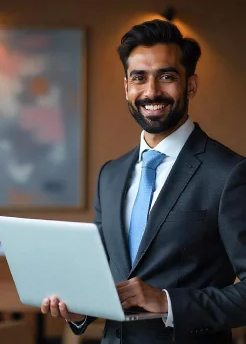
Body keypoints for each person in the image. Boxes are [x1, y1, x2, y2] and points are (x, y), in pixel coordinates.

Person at [41, 19, 246, 344]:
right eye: (139, 77)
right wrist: (79, 310)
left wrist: (167, 302)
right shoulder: (110, 175)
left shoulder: (229, 173)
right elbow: (106, 277)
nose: (151, 92)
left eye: (166, 76)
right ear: (126, 87)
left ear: (190, 85)